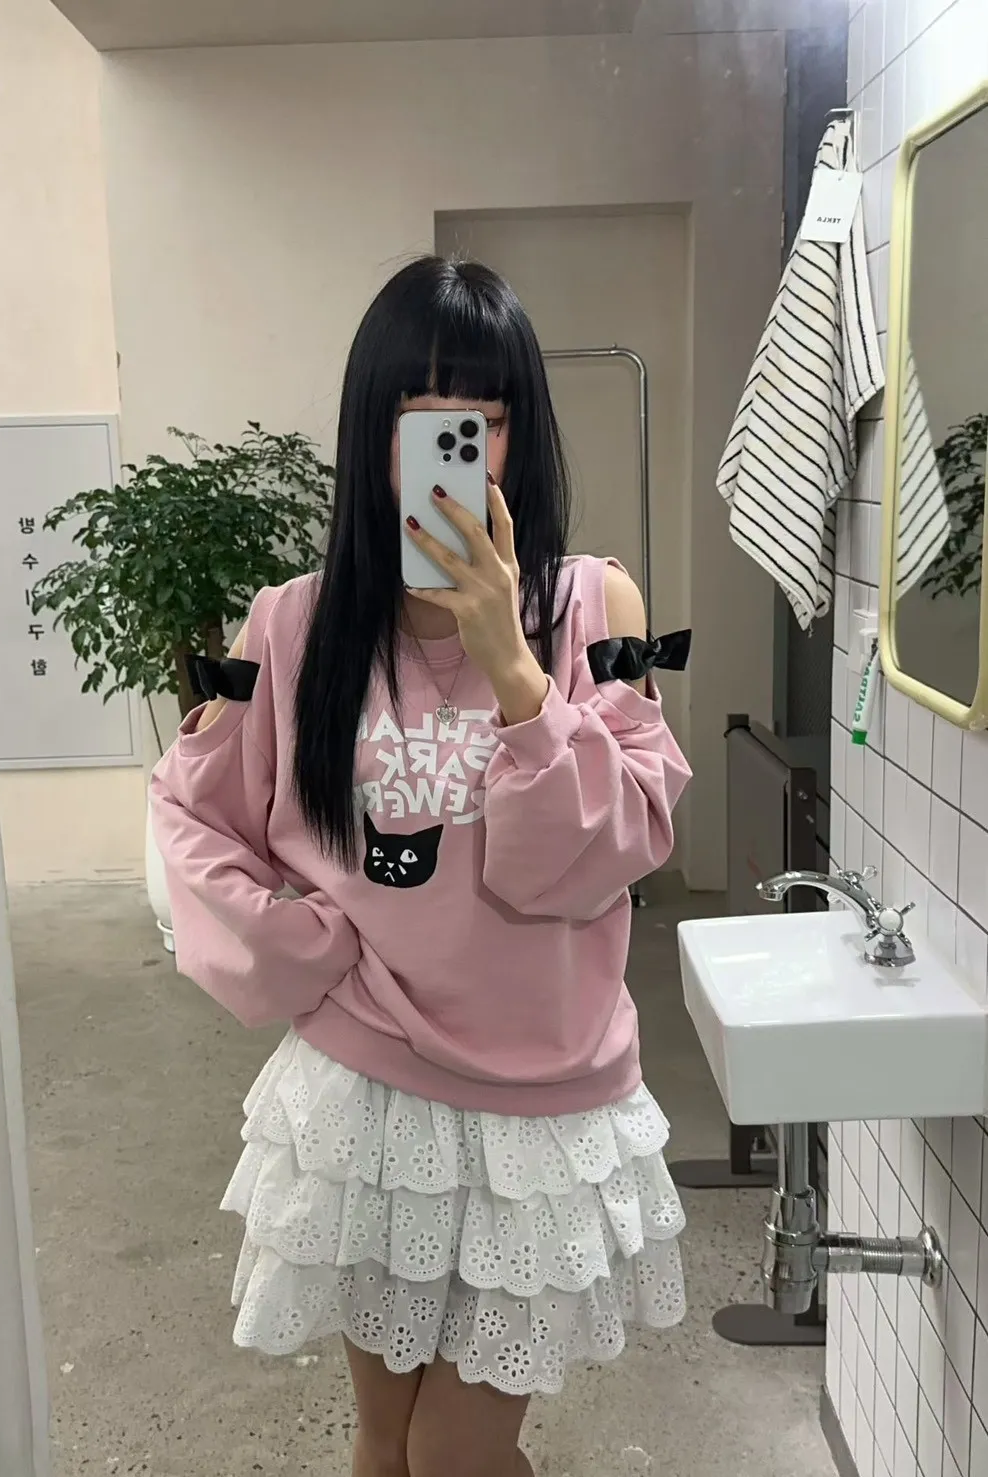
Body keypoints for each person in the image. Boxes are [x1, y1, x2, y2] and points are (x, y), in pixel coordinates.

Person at [150, 255, 692, 1477]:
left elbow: (607, 852)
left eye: (481, 422)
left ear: (517, 435)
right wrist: (298, 944)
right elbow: (191, 815)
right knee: (386, 1443)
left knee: (454, 1451)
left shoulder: (592, 606)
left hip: (541, 1097)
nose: (456, 455)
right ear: (373, 438)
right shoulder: (295, 625)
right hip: (370, 1092)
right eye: (421, 424)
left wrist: (513, 665)